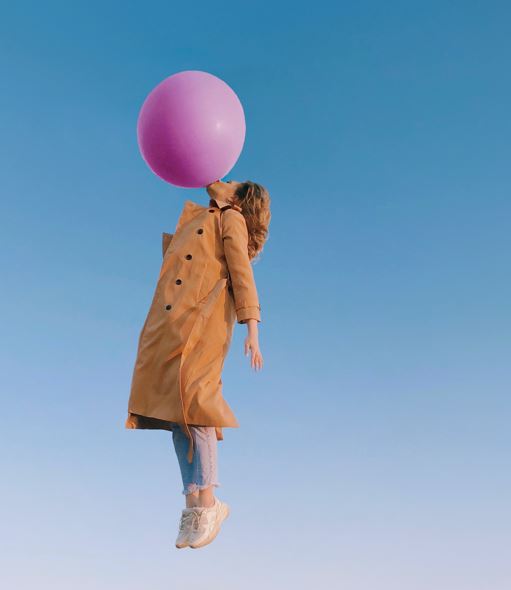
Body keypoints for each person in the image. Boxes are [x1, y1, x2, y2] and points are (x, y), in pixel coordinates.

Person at [125, 179, 271, 549]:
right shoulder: (200, 217)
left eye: (233, 182)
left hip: (205, 323)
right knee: (178, 412)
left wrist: (252, 329)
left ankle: (210, 503)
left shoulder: (230, 218)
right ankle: (192, 501)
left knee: (198, 404)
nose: (225, 179)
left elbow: (242, 273)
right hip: (176, 325)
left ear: (240, 198)